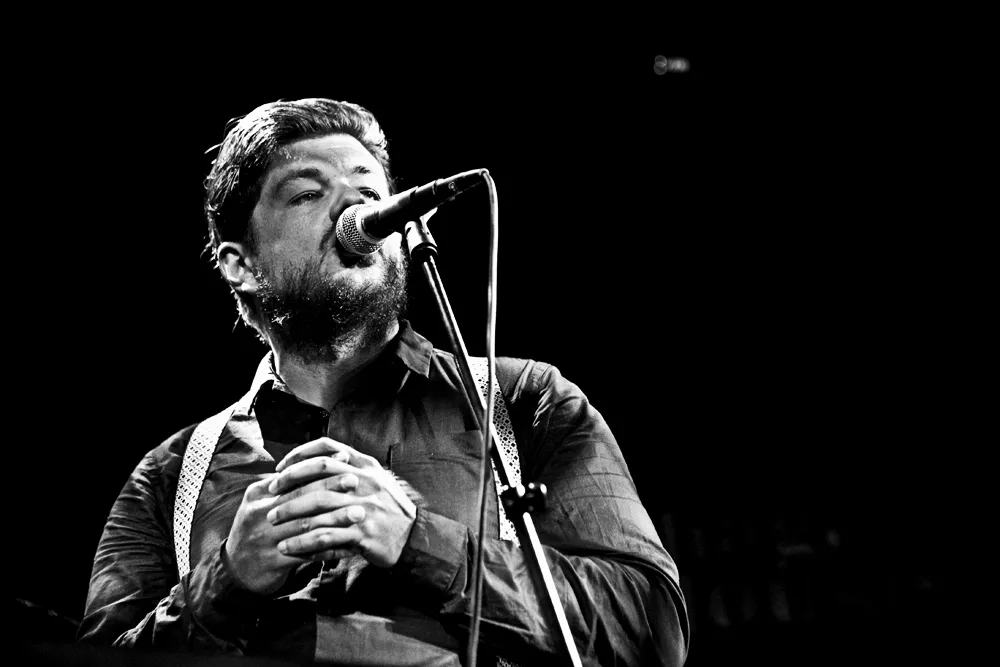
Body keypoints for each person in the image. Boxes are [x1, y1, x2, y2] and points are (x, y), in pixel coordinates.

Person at [77, 97, 690, 666]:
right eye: (308, 193)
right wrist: (227, 580)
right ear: (241, 264)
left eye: (369, 190)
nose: (354, 209)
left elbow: (654, 630)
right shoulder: (170, 475)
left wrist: (418, 542)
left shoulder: (524, 401)